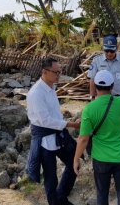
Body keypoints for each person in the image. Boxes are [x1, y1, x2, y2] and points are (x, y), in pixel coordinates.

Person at [26, 57, 80, 205]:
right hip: (44, 140)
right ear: (44, 71)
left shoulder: (51, 88)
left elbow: (55, 114)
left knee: (74, 162)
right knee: (50, 177)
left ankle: (61, 194)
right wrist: (71, 124)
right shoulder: (36, 93)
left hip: (59, 135)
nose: (59, 75)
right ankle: (55, 201)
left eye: (60, 72)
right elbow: (45, 121)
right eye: (56, 72)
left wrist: (66, 125)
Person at [73, 70, 120, 205]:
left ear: (94, 86)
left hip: (101, 158)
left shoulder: (89, 109)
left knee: (102, 193)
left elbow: (83, 138)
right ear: (112, 86)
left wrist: (76, 159)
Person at [87, 35, 120, 108]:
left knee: (119, 119)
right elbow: (92, 79)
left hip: (119, 98)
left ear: (116, 48)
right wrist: (92, 96)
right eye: (106, 51)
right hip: (102, 100)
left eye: (112, 51)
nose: (109, 53)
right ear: (103, 48)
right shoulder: (96, 60)